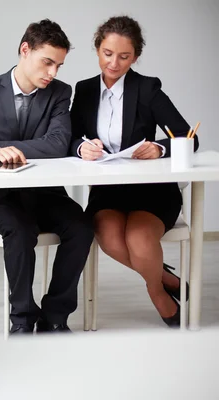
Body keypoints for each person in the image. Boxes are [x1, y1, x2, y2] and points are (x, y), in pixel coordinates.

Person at [0, 19, 93, 335]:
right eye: (47, 62)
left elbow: (57, 144)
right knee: (21, 231)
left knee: (81, 225)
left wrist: (2, 146)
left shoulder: (60, 94)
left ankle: (55, 316)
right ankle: (22, 320)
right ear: (25, 50)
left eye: (59, 65)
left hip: (44, 194)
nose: (53, 73)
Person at [70, 16, 199, 327]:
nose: (114, 63)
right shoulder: (85, 90)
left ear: (136, 57)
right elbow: (69, 137)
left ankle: (157, 294)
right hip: (108, 190)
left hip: (151, 190)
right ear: (97, 50)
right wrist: (80, 147)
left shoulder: (147, 88)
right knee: (111, 240)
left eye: (124, 56)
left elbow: (188, 138)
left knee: (140, 240)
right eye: (107, 53)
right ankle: (165, 279)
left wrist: (160, 147)